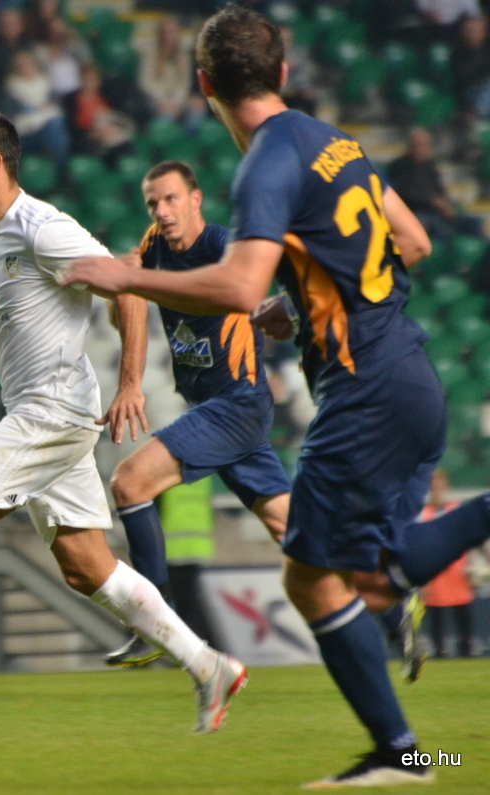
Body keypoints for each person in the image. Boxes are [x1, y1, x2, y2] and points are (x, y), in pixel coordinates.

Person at [58, 6, 490, 785]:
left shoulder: (267, 161)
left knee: (310, 576)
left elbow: (236, 285)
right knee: (373, 573)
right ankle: (408, 754)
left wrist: (127, 276)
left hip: (363, 390)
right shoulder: (338, 143)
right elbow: (415, 241)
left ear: (204, 85)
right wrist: (301, 304)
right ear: (284, 74)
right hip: (409, 375)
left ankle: (400, 754)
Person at [0, 109, 245, 734]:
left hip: (53, 411)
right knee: (85, 566)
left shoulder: (43, 229)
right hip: (48, 412)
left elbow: (127, 286)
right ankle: (209, 667)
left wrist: (130, 384)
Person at [101, 161, 291, 667]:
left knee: (129, 483)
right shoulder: (154, 246)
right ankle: (390, 598)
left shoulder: (222, 245)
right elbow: (122, 311)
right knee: (290, 529)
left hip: (235, 404)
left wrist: (286, 314)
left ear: (195, 199)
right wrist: (122, 286)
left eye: (170, 199)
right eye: (153, 203)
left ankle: (153, 623)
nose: (161, 211)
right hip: (215, 408)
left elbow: (271, 281)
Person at [387, 128, 485, 240]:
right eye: (418, 145)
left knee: (473, 222)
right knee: (436, 224)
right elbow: (404, 193)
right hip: (416, 212)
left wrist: (447, 205)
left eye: (425, 145)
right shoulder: (399, 166)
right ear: (410, 146)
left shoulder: (430, 167)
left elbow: (440, 190)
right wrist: (432, 201)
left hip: (437, 212)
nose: (421, 149)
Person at [419, 469, 475, 658]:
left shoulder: (456, 509)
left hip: (458, 572)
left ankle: (468, 651)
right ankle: (439, 653)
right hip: (434, 573)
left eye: (440, 486)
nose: (437, 491)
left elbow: (470, 538)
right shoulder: (423, 514)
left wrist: (474, 565)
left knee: (463, 617)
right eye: (433, 487)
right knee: (437, 619)